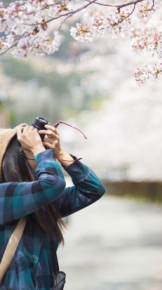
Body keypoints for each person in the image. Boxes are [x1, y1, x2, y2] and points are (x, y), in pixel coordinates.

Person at [0, 123, 105, 290]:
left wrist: (60, 153)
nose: (40, 154)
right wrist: (39, 150)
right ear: (12, 159)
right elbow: (53, 183)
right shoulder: (4, 195)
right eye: (30, 150)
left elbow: (92, 190)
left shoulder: (41, 202)